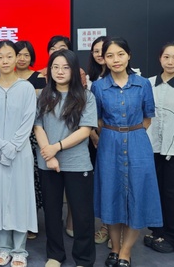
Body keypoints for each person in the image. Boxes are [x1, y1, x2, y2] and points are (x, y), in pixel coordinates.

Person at [91, 37, 162, 267]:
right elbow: (97, 119)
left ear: (129, 55)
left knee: (137, 195)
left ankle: (126, 251)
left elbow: (147, 117)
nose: (116, 60)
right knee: (111, 195)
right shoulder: (98, 87)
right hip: (109, 144)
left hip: (138, 143)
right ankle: (114, 248)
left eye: (120, 54)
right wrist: (113, 134)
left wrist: (131, 134)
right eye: (110, 55)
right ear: (104, 59)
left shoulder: (142, 84)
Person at [34, 49, 97, 267]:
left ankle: (84, 259)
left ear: (74, 70)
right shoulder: (43, 96)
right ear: (49, 70)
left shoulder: (86, 97)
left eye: (65, 67)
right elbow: (38, 127)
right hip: (48, 162)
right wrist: (48, 153)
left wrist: (56, 147)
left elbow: (85, 130)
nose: (60, 72)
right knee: (51, 213)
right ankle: (55, 255)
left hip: (77, 163)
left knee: (82, 215)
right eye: (55, 67)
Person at [0, 40, 37, 267]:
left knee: (20, 197)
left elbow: (28, 120)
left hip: (20, 152)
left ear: (17, 58)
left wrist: (12, 146)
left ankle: (20, 250)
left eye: (9, 56)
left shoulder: (26, 88)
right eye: (0, 57)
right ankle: (3, 248)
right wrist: (2, 146)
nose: (5, 61)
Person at [145, 42, 174, 254]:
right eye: (166, 57)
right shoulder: (148, 83)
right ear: (160, 58)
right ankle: (158, 232)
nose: (170, 62)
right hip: (152, 147)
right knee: (155, 192)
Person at [15, 40, 45, 239]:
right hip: (9, 133)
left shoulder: (39, 77)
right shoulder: (5, 78)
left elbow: (41, 105)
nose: (22, 58)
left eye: (26, 55)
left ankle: (30, 223)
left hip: (33, 134)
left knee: (32, 180)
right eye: (18, 54)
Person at [86, 35, 110, 246]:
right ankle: (105, 226)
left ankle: (118, 229)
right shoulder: (89, 79)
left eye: (104, 50)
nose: (100, 54)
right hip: (93, 139)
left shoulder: (126, 77)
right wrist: (94, 135)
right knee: (102, 183)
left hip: (115, 137)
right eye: (96, 51)